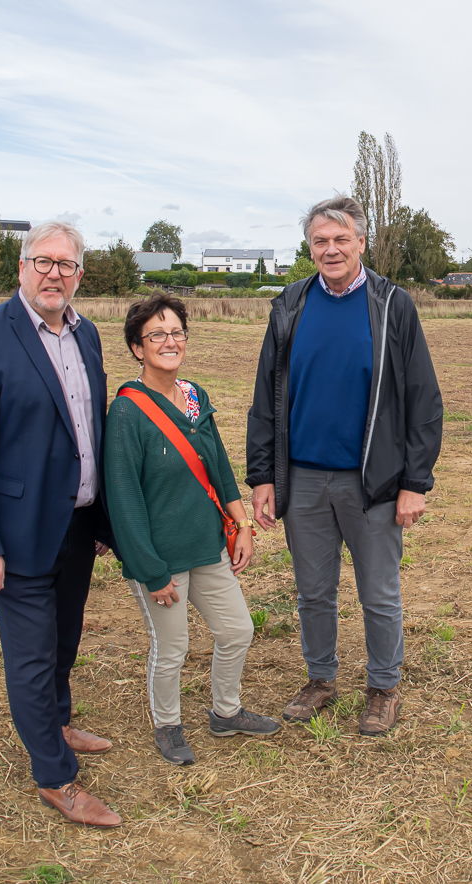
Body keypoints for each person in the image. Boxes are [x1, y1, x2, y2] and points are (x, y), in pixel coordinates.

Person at [0, 219, 122, 828]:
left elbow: (91, 431)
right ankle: (54, 776)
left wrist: (101, 516)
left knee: (65, 638)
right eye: (42, 262)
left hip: (75, 524)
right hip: (17, 533)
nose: (54, 273)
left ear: (80, 274)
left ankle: (60, 721)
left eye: (65, 265)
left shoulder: (87, 334)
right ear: (22, 267)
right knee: (29, 656)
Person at [247, 196, 443, 736]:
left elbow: (423, 401)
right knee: (313, 591)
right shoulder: (290, 305)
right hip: (305, 478)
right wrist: (263, 475)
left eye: (340, 240)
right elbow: (266, 397)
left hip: (372, 483)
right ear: (309, 247)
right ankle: (321, 679)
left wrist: (414, 483)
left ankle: (383, 687)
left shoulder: (391, 304)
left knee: (378, 593)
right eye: (319, 241)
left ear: (361, 242)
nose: (330, 250)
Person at [105, 293, 281, 764]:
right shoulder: (125, 412)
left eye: (177, 332)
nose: (169, 341)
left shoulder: (195, 395)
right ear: (137, 348)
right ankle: (167, 724)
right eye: (156, 334)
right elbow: (124, 498)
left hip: (208, 545)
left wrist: (242, 525)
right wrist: (150, 570)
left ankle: (226, 712)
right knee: (173, 647)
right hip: (161, 556)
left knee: (237, 630)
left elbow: (219, 466)